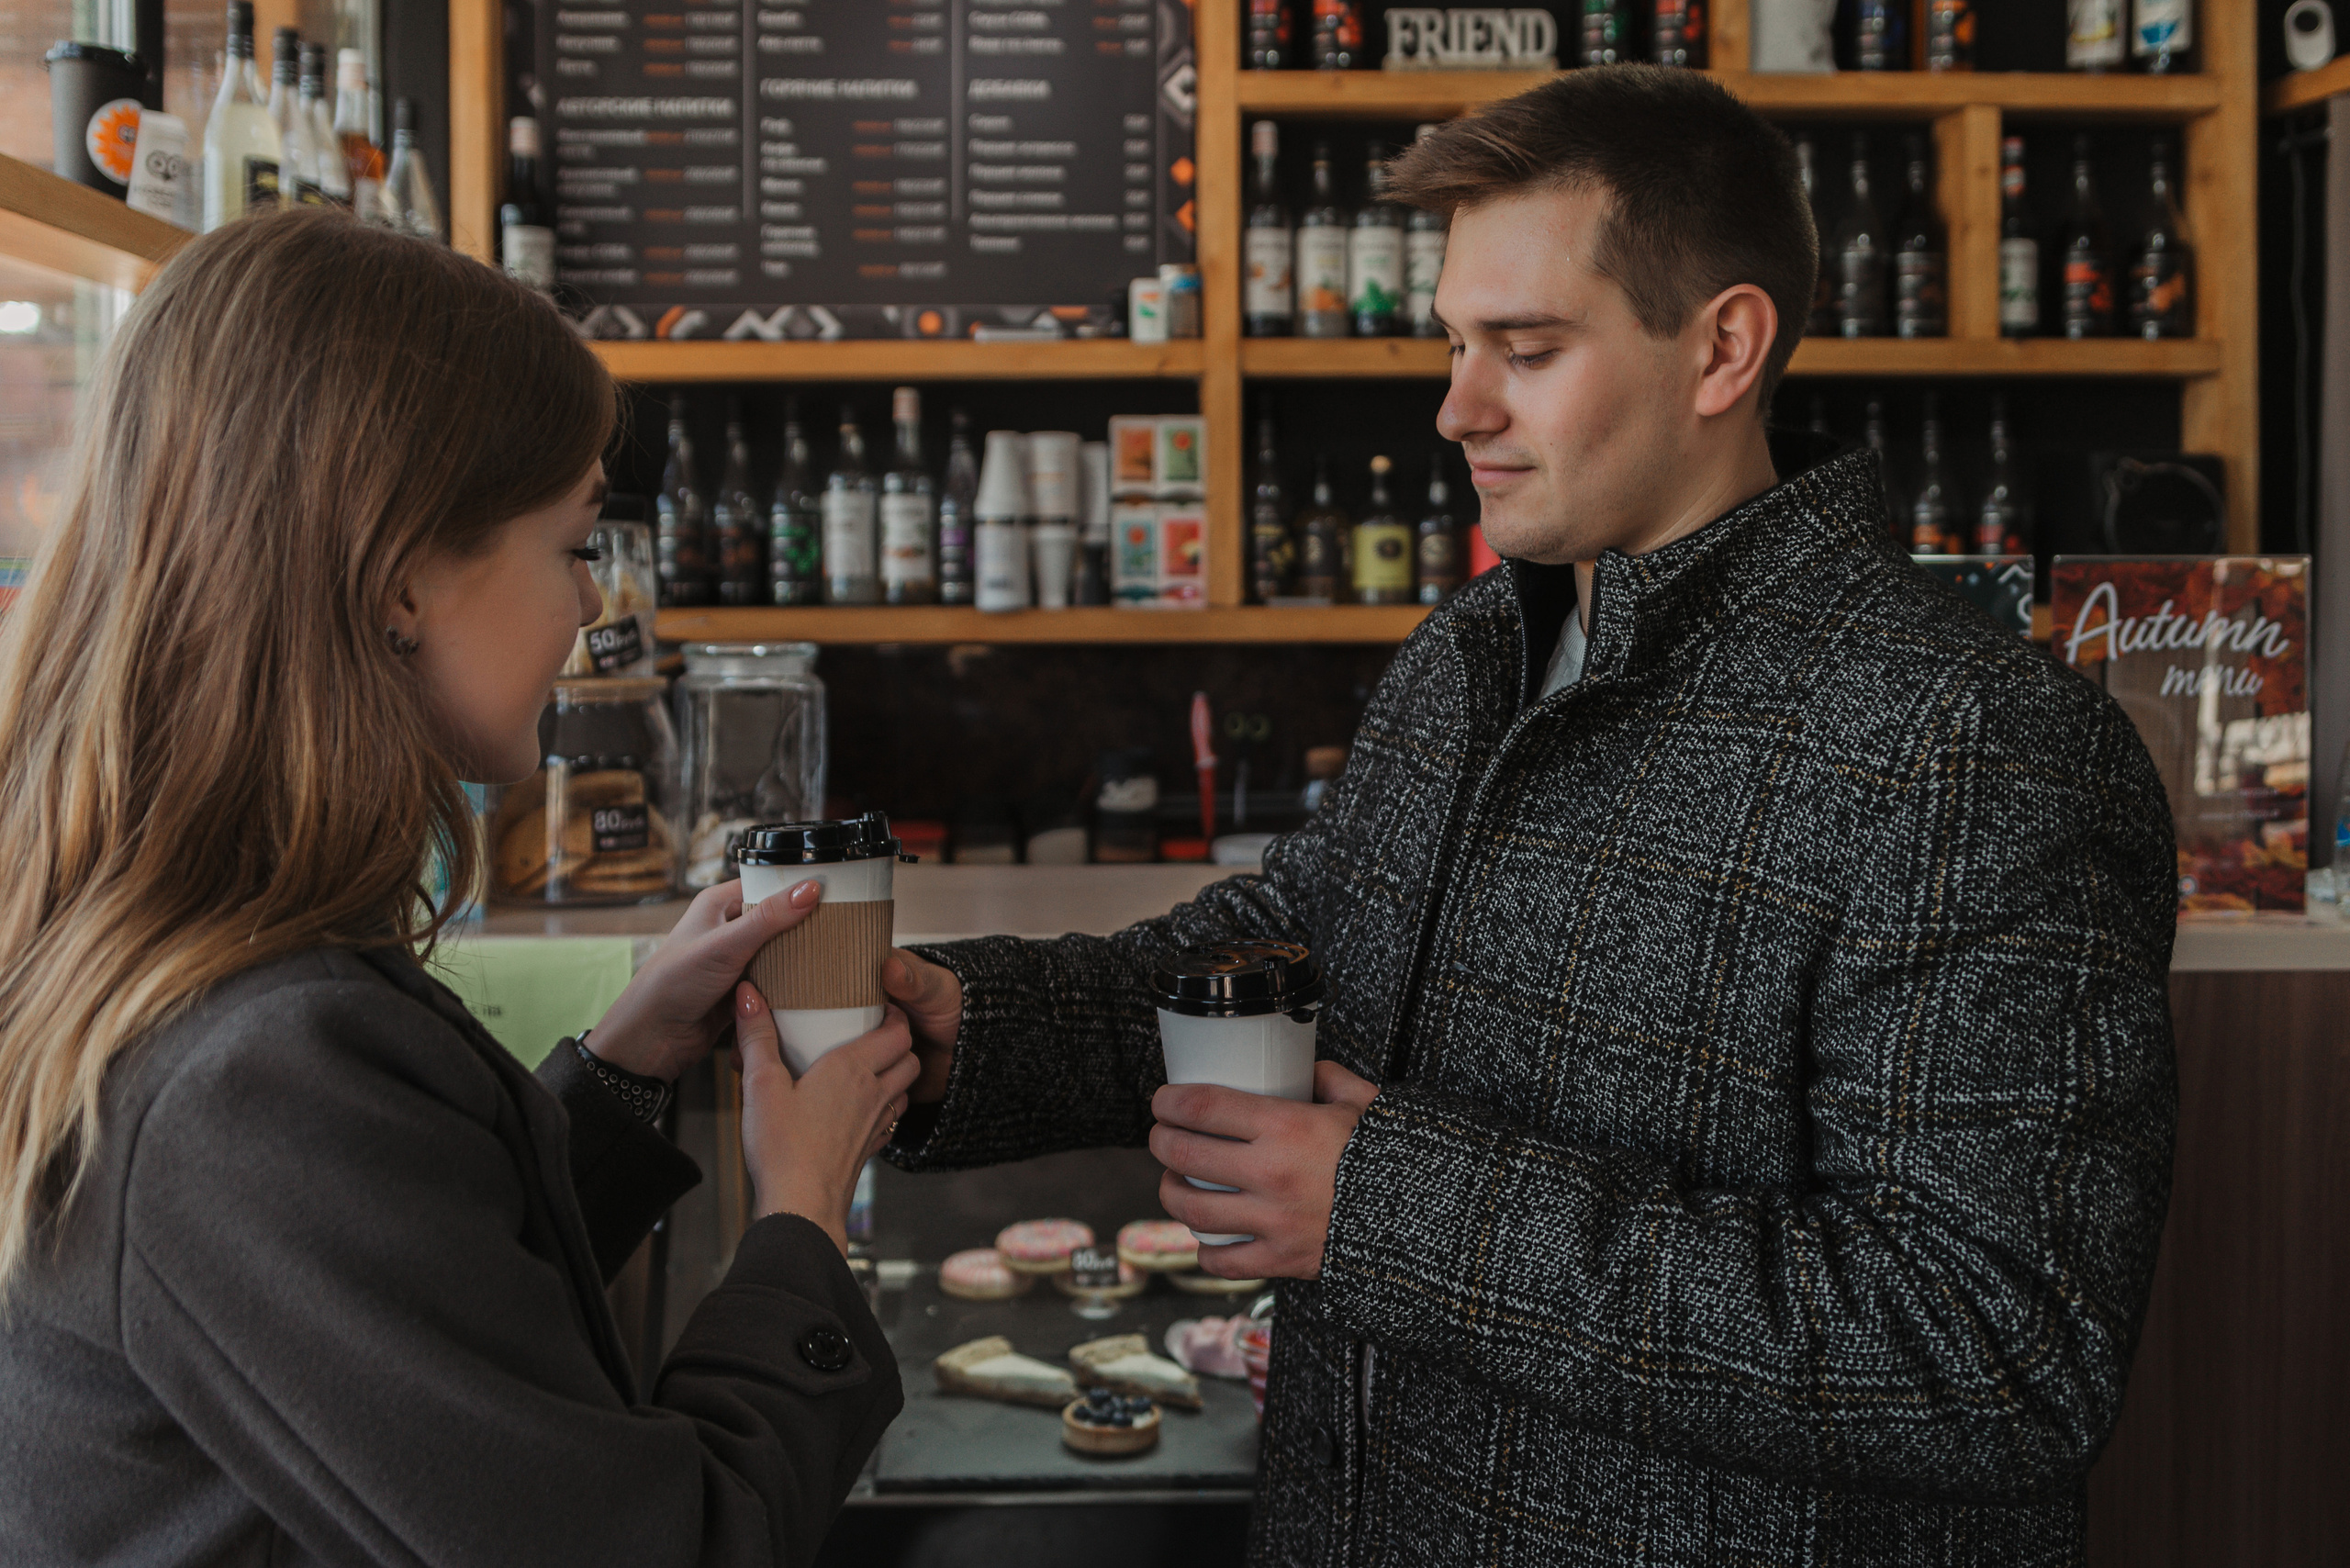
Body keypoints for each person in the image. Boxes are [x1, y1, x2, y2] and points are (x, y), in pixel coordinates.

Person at [879, 67, 2177, 1566]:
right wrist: (965, 1030)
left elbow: (1996, 1353)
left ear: (1724, 349)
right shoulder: (1475, 648)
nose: (1457, 407)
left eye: (1527, 348)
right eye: (1452, 343)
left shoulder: (1975, 740)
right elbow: (1291, 940)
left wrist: (1387, 1208)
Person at [0, 209, 916, 1565]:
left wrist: (621, 1069)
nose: (593, 610)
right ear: (401, 580)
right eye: (571, 545)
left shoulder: (181, 965)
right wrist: (801, 1220)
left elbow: (397, 1348)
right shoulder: (252, 1078)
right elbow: (662, 1548)